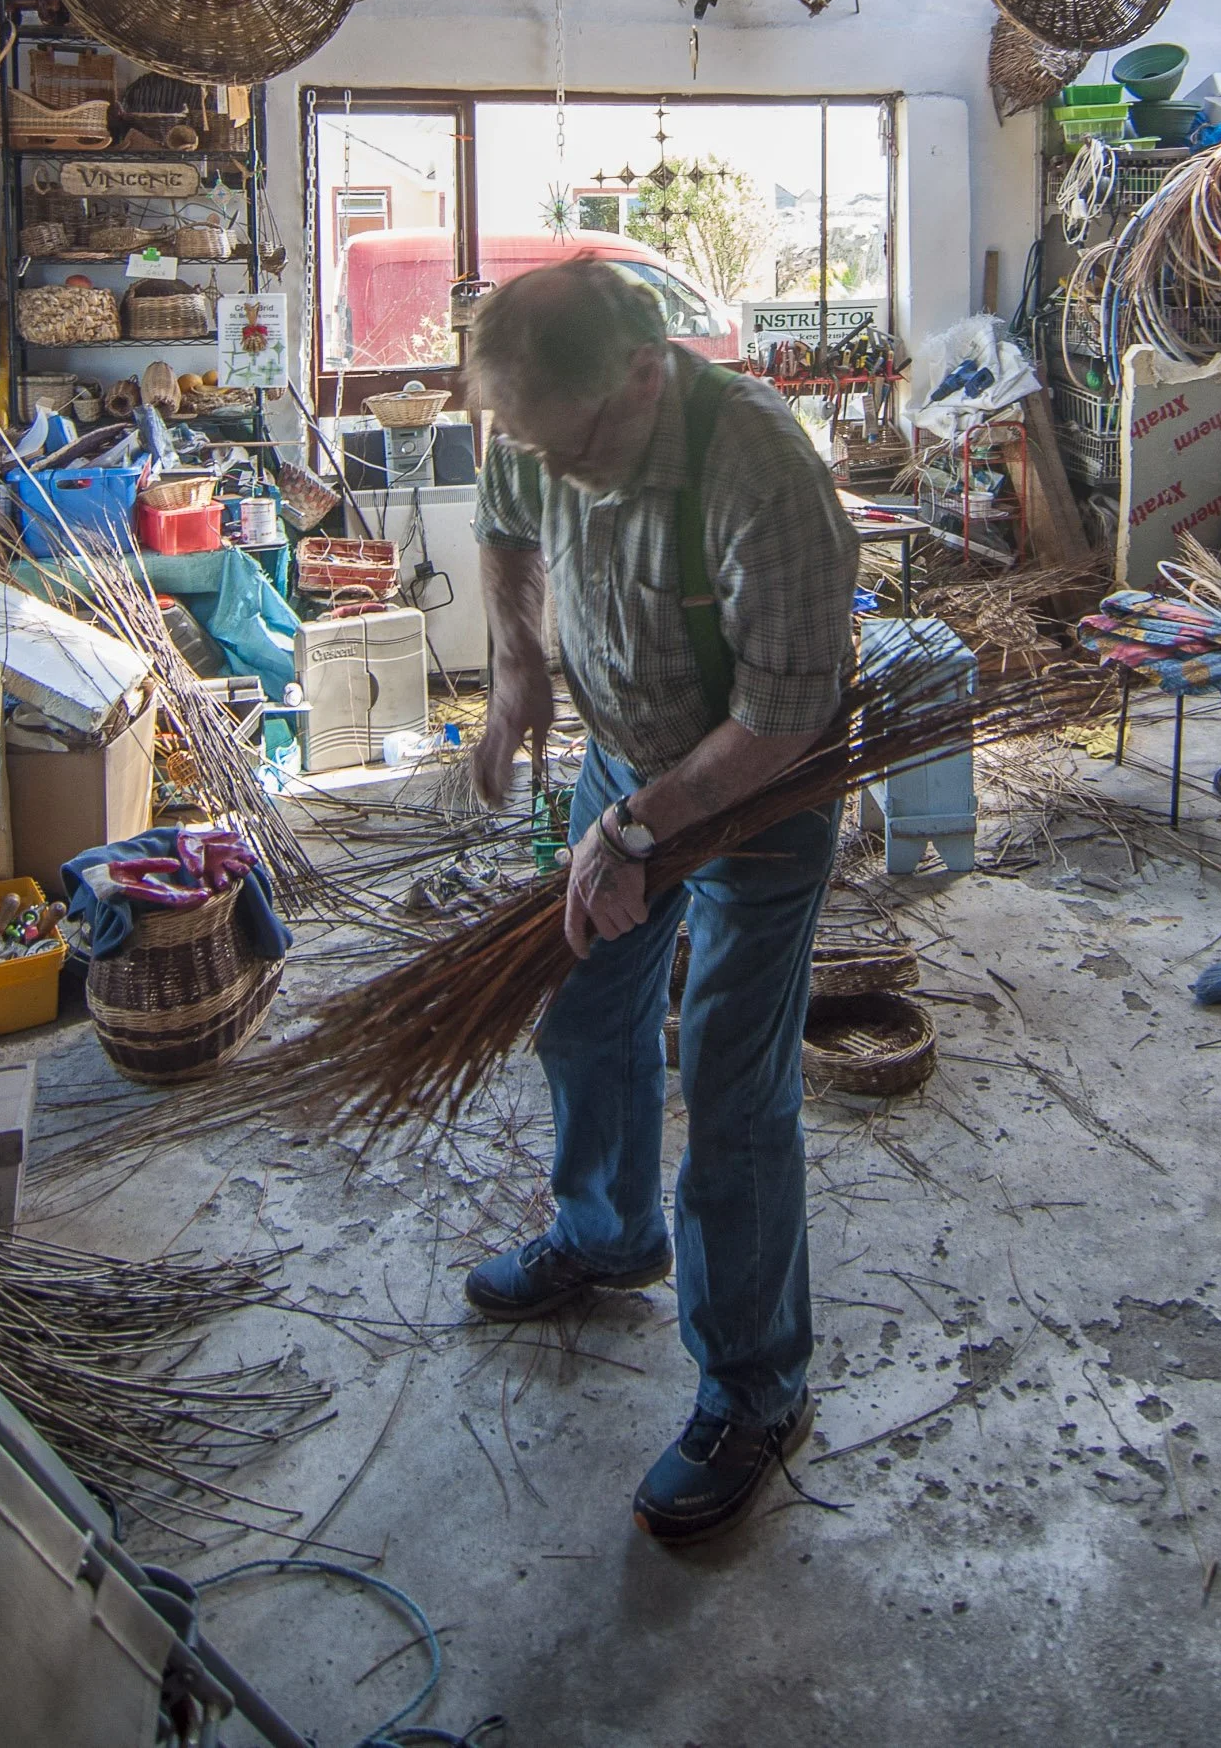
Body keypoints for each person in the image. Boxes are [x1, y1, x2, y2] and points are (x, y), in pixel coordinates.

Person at [464, 257, 859, 1545]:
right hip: (620, 758)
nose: (552, 467)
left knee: (733, 1082)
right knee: (580, 1015)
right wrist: (519, 667)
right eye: (529, 438)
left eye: (571, 446)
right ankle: (608, 1228)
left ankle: (755, 1387)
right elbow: (507, 520)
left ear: (647, 372)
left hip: (758, 791)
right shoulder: (543, 415)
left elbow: (791, 710)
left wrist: (640, 833)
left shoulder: (759, 471)